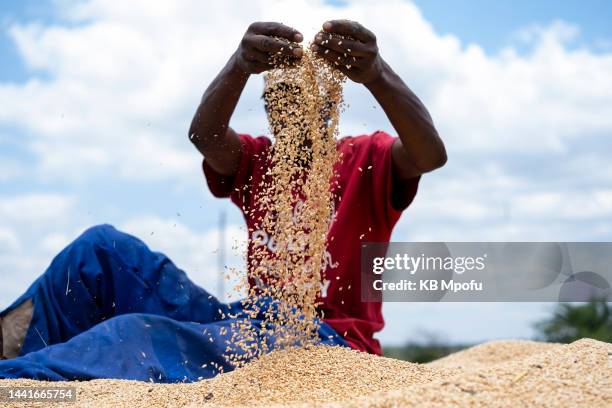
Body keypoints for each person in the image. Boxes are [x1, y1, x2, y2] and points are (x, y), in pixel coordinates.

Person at [0, 20, 446, 382]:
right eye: (280, 100)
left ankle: (20, 385)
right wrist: (239, 64)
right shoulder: (259, 161)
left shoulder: (368, 158)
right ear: (270, 107)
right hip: (252, 326)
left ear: (332, 105)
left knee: (134, 335)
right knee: (98, 250)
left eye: (306, 100)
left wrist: (376, 74)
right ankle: (13, 356)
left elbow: (429, 153)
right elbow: (205, 135)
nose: (292, 113)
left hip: (328, 343)